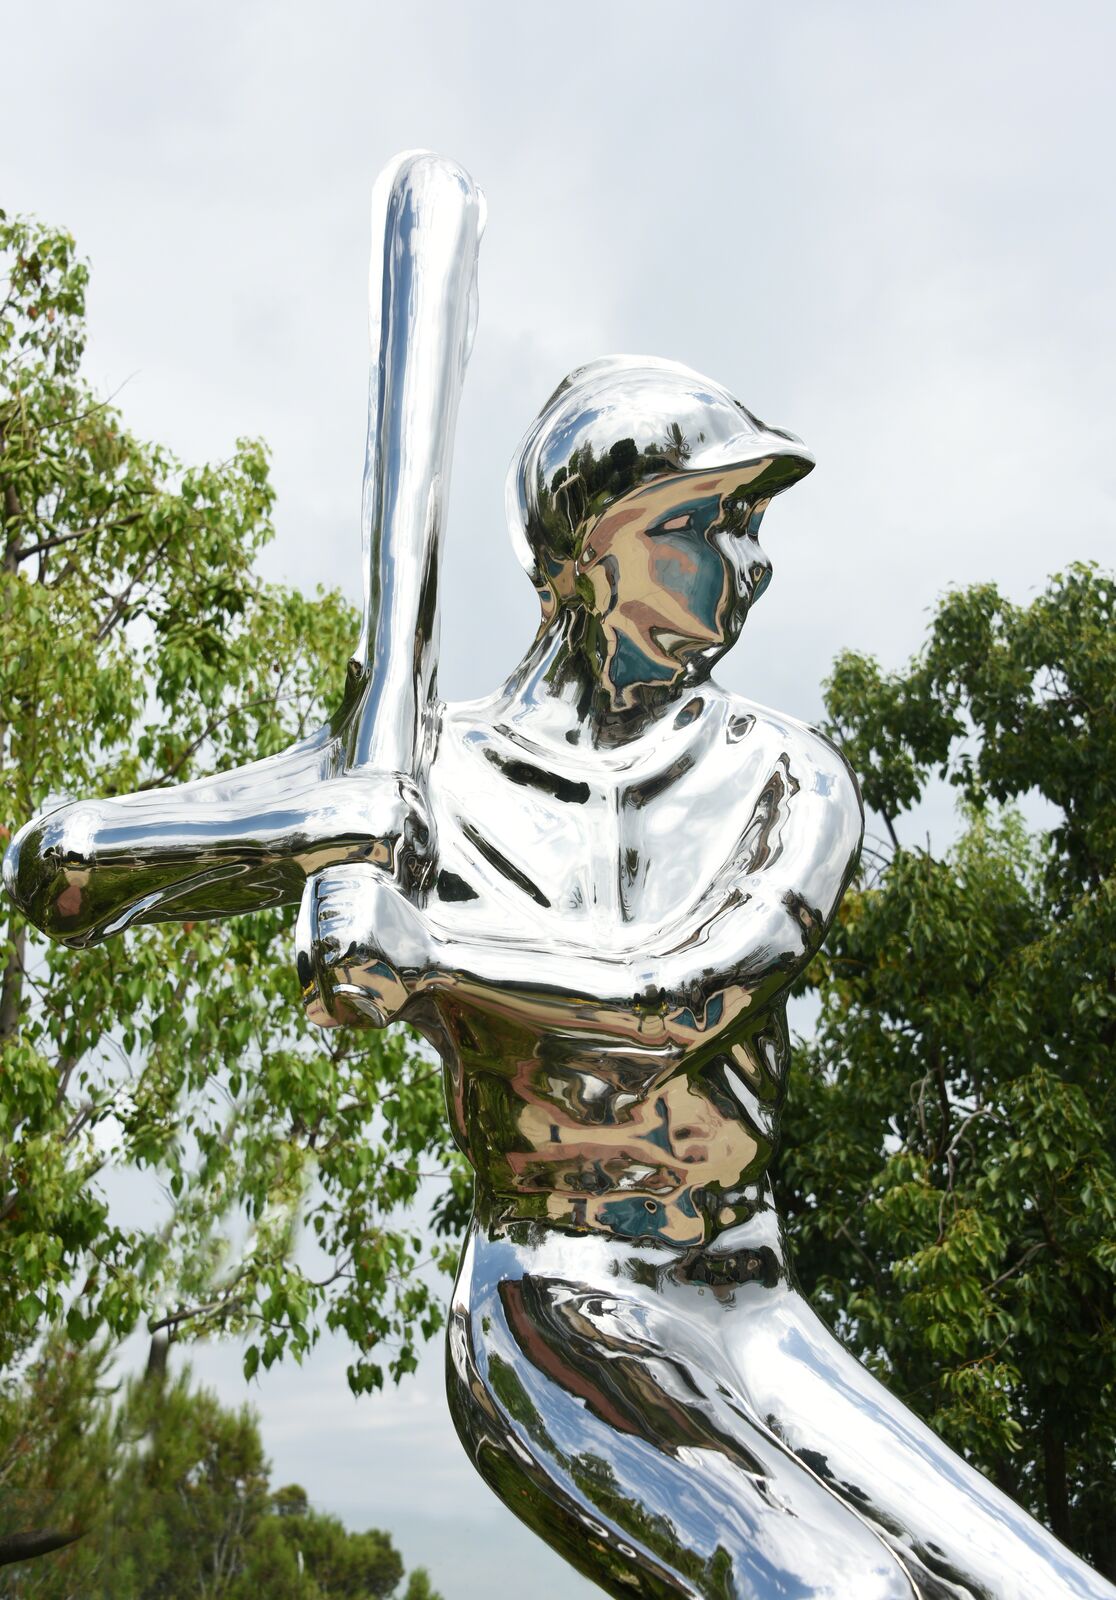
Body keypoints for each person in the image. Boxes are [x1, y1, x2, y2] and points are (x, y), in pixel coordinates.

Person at [6, 360, 1110, 1600]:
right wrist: (320, 825)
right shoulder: (431, 779)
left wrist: (427, 951)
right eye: (711, 523)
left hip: (744, 1290)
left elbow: (679, 998)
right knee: (838, 1588)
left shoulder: (787, 778)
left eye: (751, 522)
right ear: (595, 549)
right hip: (556, 1299)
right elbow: (62, 868)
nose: (752, 561)